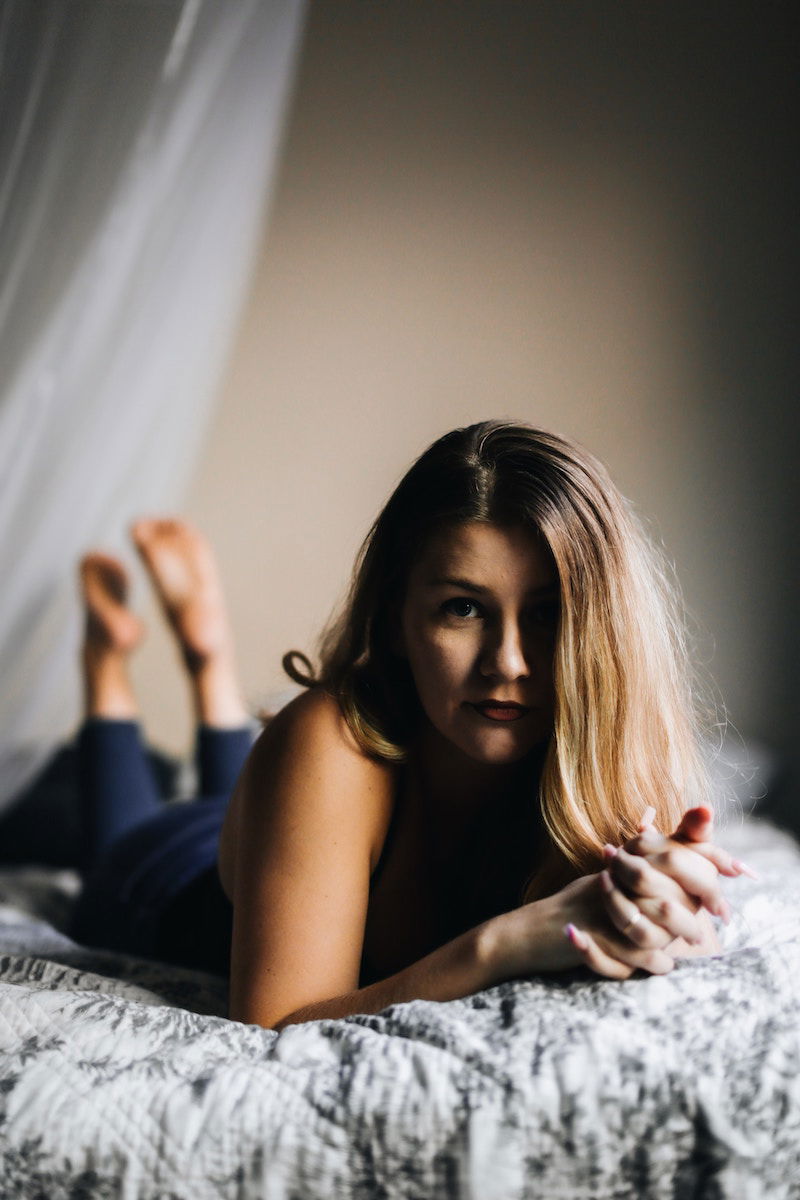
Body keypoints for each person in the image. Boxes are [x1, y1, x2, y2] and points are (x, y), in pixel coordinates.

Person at [70, 422, 752, 1031]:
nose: (507, 663)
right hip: (162, 879)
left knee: (241, 795)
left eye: (547, 616)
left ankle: (209, 673)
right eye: (462, 609)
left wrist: (658, 901)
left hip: (288, 824)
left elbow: (652, 926)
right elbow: (274, 1020)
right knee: (122, 841)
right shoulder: (330, 738)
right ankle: (114, 668)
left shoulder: (610, 748)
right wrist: (504, 942)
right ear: (396, 618)